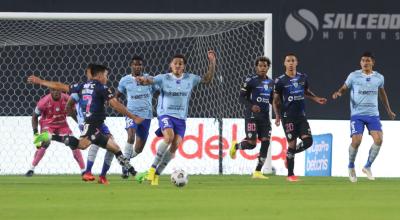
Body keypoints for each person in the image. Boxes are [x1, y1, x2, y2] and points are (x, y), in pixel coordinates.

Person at [32, 64, 143, 178]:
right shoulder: (102, 88)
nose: (107, 78)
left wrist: (41, 81)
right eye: (106, 75)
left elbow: (59, 86)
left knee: (115, 148)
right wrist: (133, 117)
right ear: (99, 75)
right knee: (82, 145)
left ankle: (135, 174)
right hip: (93, 124)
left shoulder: (81, 86)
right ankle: (51, 136)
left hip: (93, 124)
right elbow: (115, 105)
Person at [135, 50, 216, 186]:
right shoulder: (163, 78)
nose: (178, 66)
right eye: (175, 63)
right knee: (169, 137)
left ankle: (155, 176)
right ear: (171, 65)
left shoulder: (190, 78)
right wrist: (142, 80)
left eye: (181, 64)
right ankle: (152, 169)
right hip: (165, 114)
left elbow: (207, 79)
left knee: (174, 147)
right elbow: (150, 80)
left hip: (181, 119)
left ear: (184, 66)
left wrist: (212, 62)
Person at [28, 65, 115, 184]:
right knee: (93, 142)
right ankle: (32, 168)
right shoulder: (77, 90)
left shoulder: (93, 88)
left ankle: (91, 172)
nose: (89, 76)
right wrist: (35, 132)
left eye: (90, 73)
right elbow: (68, 106)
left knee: (89, 144)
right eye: (88, 73)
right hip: (53, 123)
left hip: (70, 123)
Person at [332, 52, 396, 182]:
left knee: (379, 140)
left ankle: (367, 166)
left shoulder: (379, 78)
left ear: (373, 62)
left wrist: (388, 110)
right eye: (362, 60)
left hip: (373, 115)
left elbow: (383, 95)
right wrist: (339, 93)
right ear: (360, 63)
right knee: (357, 141)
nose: (365, 63)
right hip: (357, 115)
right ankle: (351, 167)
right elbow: (344, 88)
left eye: (367, 60)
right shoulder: (353, 76)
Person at [273, 53, 327, 182]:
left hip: (301, 116)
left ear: (297, 63)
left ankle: (289, 155)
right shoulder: (280, 80)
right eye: (288, 61)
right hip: (288, 117)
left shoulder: (302, 77)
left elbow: (306, 91)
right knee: (291, 145)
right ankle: (290, 175)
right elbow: (275, 100)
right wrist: (277, 116)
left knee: (308, 142)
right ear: (284, 64)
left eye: (293, 61)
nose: (290, 63)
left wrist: (316, 98)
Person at [229, 56, 274, 179]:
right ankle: (236, 146)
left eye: (265, 66)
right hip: (252, 117)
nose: (262, 68)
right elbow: (241, 97)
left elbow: (271, 100)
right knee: (252, 144)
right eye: (260, 65)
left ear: (268, 67)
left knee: (266, 142)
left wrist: (278, 110)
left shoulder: (271, 83)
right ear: (256, 67)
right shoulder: (251, 80)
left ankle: (258, 171)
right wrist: (251, 106)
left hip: (265, 118)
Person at [26, 88, 85, 176]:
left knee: (73, 143)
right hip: (47, 124)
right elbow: (34, 116)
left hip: (62, 125)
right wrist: (35, 133)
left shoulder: (67, 99)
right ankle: (31, 169)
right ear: (50, 91)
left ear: (61, 91)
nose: (56, 92)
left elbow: (75, 110)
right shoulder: (44, 102)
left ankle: (84, 171)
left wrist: (80, 123)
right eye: (53, 90)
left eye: (58, 90)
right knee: (46, 142)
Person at [116, 56, 158, 179]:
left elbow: (159, 91)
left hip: (146, 116)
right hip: (131, 114)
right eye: (135, 64)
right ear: (131, 66)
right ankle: (125, 167)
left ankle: (124, 158)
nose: (137, 66)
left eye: (140, 65)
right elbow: (117, 95)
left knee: (139, 149)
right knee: (131, 135)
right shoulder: (125, 80)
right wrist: (118, 106)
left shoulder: (148, 79)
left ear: (142, 66)